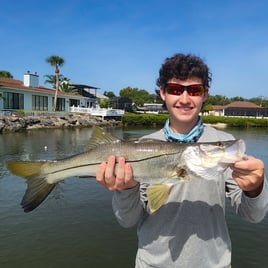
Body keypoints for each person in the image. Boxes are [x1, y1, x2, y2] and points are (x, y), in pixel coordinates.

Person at [96, 53, 268, 268]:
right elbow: (127, 220)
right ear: (162, 93)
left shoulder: (223, 143)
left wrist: (255, 188)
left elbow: (253, 216)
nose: (185, 99)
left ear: (205, 95)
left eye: (194, 90)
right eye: (176, 90)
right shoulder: (140, 147)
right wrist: (126, 189)